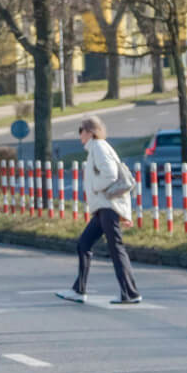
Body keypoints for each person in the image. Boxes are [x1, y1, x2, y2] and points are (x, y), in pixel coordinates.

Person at [57, 116, 142, 305]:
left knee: (115, 248)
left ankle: (130, 293)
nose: (79, 135)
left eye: (81, 130)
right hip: (103, 207)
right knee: (84, 244)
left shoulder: (99, 147)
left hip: (108, 207)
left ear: (90, 132)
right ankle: (79, 290)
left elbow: (110, 174)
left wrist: (95, 187)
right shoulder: (96, 148)